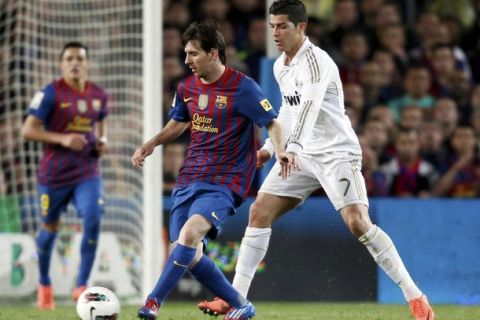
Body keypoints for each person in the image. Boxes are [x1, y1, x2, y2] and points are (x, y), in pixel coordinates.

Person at [198, 1, 436, 320]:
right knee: (259, 211)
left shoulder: (316, 62)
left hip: (336, 152)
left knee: (358, 223)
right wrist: (269, 148)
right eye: (272, 26)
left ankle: (416, 298)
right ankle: (234, 299)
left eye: (282, 26)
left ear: (301, 27)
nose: (275, 33)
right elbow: (289, 112)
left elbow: (309, 109)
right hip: (301, 152)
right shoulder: (281, 65)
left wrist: (291, 149)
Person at [132, 21, 294, 320]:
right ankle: (240, 304)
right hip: (190, 177)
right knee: (190, 254)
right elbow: (179, 122)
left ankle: (152, 303)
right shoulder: (187, 87)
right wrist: (151, 143)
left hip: (226, 182)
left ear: (214, 53)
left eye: (193, 54)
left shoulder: (243, 87)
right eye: (185, 54)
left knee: (191, 233)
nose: (186, 60)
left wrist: (280, 150)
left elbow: (271, 121)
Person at [21, 42, 109, 309]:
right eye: (69, 58)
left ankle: (82, 285)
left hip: (87, 171)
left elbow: (102, 125)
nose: (75, 63)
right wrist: (62, 138)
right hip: (53, 175)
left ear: (87, 63)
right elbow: (28, 130)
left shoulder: (99, 95)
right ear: (61, 64)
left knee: (93, 218)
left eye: (80, 59)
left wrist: (102, 140)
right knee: (49, 229)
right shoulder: (49, 93)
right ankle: (45, 284)